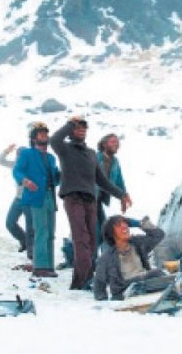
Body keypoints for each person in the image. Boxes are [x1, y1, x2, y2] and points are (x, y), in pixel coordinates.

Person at [51, 117, 131, 290]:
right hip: (73, 197)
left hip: (90, 200)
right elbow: (54, 139)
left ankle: (86, 277)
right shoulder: (65, 149)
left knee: (93, 240)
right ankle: (81, 281)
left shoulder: (91, 154)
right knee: (81, 239)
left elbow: (102, 181)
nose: (81, 131)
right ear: (72, 132)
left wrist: (121, 194)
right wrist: (70, 124)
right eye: (78, 128)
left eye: (83, 129)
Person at [12, 122, 60, 277]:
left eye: (46, 134)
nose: (44, 136)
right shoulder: (27, 154)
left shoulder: (51, 158)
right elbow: (17, 171)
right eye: (41, 134)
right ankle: (40, 267)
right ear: (33, 138)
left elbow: (55, 178)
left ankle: (49, 266)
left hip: (50, 197)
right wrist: (25, 181)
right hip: (35, 197)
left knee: (51, 233)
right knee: (41, 231)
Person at [93, 215, 165, 301]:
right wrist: (105, 305)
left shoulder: (138, 243)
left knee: (159, 273)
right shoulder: (106, 258)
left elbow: (159, 235)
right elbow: (99, 285)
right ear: (111, 233)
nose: (124, 226)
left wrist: (140, 223)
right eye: (118, 225)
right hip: (126, 292)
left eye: (125, 224)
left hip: (146, 283)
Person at [0, 143, 33, 255]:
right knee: (10, 223)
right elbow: (0, 160)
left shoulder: (32, 167)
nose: (18, 157)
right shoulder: (15, 165)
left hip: (30, 200)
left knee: (31, 227)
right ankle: (24, 241)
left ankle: (32, 251)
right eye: (17, 155)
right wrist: (7, 150)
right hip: (18, 199)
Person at [95, 133, 126, 255]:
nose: (116, 144)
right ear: (104, 144)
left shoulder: (115, 161)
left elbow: (119, 181)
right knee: (95, 230)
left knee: (103, 229)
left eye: (117, 142)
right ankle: (92, 260)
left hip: (99, 200)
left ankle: (104, 258)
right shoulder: (95, 158)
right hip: (90, 197)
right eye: (113, 142)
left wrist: (123, 197)